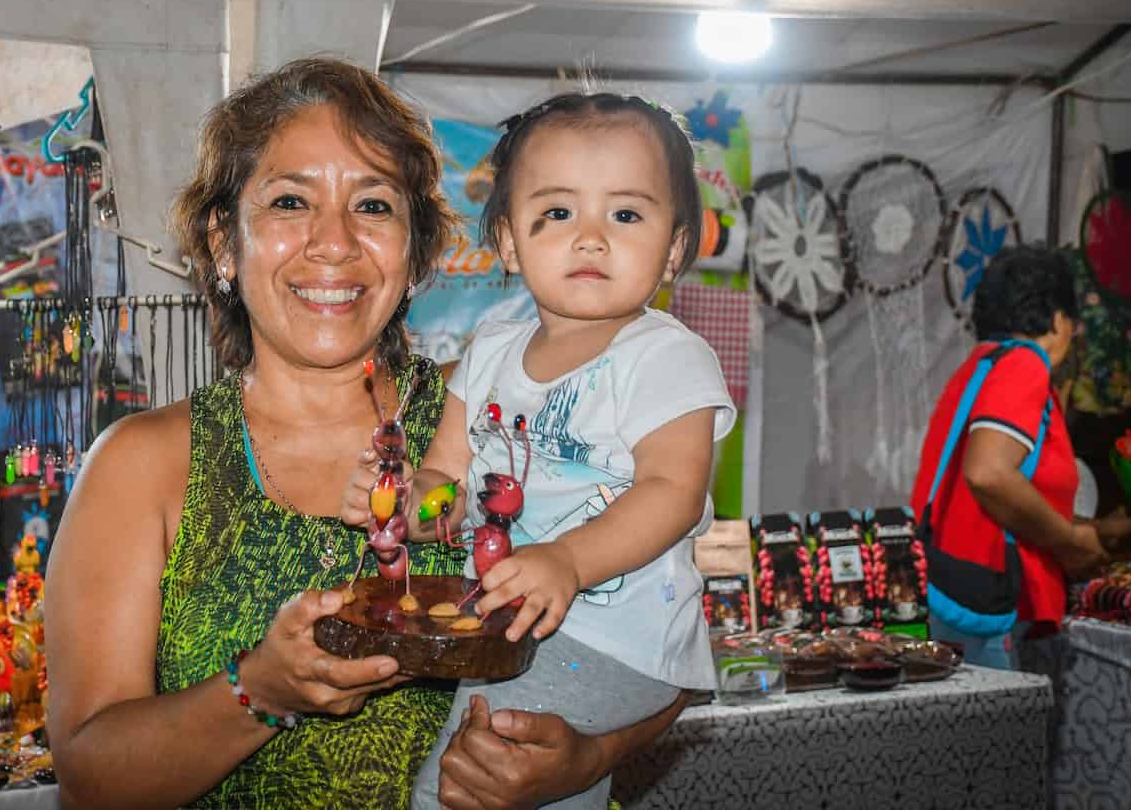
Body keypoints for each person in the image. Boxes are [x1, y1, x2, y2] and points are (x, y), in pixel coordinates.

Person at [45, 62, 691, 809]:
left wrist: (588, 758)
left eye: (374, 206)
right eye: (290, 201)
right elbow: (91, 776)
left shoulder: (497, 414)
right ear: (225, 242)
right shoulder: (144, 464)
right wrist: (259, 690)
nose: (335, 243)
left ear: (415, 252)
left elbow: (664, 616)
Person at [341, 93, 735, 810]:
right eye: (557, 213)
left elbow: (674, 493)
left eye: (625, 214)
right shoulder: (490, 352)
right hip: (518, 626)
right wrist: (402, 500)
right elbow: (447, 486)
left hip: (615, 634)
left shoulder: (667, 357)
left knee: (459, 786)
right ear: (510, 242)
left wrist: (568, 561)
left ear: (676, 246)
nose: (589, 238)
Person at [910, 244, 1131, 669]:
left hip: (955, 590)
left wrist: (1097, 528)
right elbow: (989, 474)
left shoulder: (981, 367)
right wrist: (1070, 543)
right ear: (1057, 320)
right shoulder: (1024, 366)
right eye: (1073, 323)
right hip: (995, 609)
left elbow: (1008, 495)